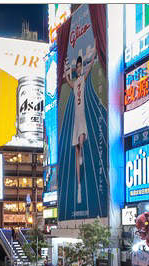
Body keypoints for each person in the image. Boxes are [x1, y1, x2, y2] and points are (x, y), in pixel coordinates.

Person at [65, 52, 96, 204]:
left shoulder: (83, 79)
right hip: (76, 119)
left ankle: (83, 154)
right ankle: (78, 187)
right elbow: (68, 80)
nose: (78, 69)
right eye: (77, 67)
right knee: (76, 150)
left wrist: (96, 48)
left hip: (82, 115)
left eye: (79, 66)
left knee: (81, 140)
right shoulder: (75, 82)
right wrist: (66, 70)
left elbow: (90, 66)